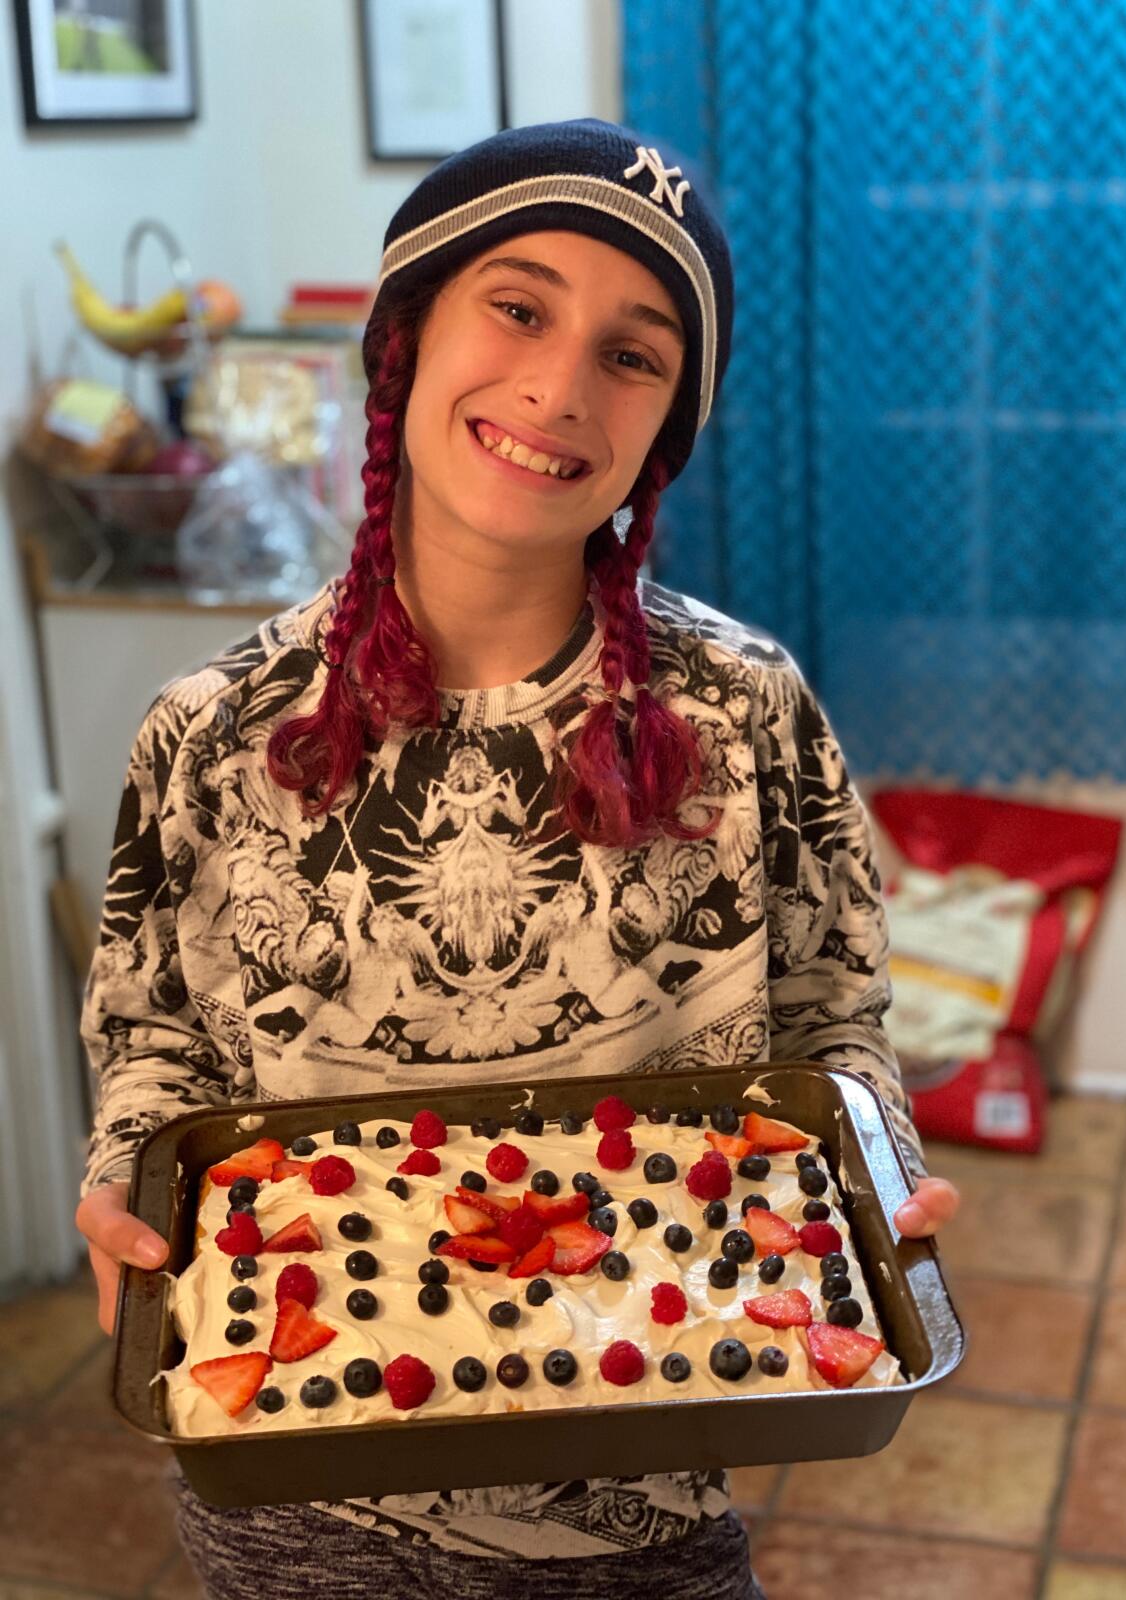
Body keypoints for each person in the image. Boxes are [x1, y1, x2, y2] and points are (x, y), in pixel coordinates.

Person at [74, 117, 959, 1600]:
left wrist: (877, 1168)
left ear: (666, 425)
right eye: (518, 304)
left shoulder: (746, 714)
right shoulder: (207, 736)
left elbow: (830, 1024)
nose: (558, 387)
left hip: (652, 1488)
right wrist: (125, 1180)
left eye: (635, 352)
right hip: (302, 1505)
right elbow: (156, 1039)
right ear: (404, 340)